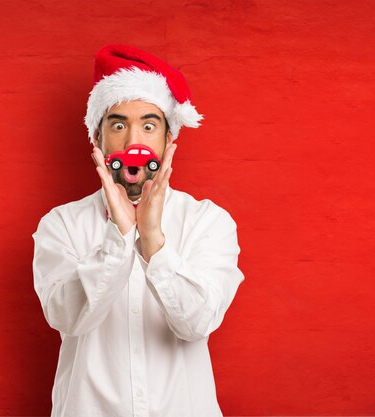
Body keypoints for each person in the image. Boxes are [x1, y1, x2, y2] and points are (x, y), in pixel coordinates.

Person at [31, 44, 245, 417]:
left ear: (168, 140)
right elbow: (66, 317)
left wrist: (152, 242)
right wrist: (119, 237)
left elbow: (197, 323)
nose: (134, 143)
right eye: (118, 125)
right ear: (97, 139)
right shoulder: (60, 225)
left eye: (149, 126)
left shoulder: (208, 222)